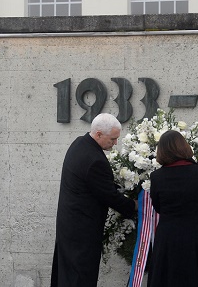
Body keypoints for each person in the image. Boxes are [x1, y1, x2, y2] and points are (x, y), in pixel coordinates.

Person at [51, 113, 137, 287]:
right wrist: (134, 206)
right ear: (98, 134)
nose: (115, 143)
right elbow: (109, 195)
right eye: (112, 139)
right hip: (82, 232)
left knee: (67, 275)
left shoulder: (79, 144)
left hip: (69, 226)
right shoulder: (95, 160)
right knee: (80, 277)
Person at [148, 130, 198, 287]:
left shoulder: (156, 177)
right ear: (184, 147)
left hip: (168, 237)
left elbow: (158, 207)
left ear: (161, 151)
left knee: (168, 278)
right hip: (196, 235)